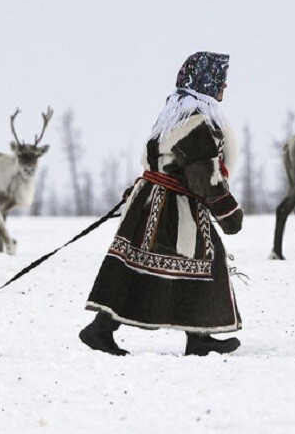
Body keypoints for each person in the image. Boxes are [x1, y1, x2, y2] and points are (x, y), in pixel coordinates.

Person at [81, 52, 244, 356]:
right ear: (207, 83)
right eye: (220, 80)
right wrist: (228, 213)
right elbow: (204, 176)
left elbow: (158, 163)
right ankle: (198, 338)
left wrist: (137, 193)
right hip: (174, 208)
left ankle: (102, 329)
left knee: (137, 267)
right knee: (206, 262)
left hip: (150, 204)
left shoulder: (171, 118)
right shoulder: (198, 123)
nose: (225, 86)